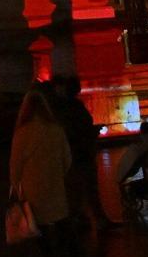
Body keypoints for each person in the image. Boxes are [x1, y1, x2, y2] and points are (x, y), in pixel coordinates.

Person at [8, 87, 73, 253]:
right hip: (55, 186)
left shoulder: (22, 134)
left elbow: (15, 166)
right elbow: (67, 159)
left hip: (33, 189)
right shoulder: (56, 130)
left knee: (38, 226)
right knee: (61, 224)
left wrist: (16, 186)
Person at [51, 76, 120, 228]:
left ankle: (84, 218)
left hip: (79, 151)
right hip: (78, 152)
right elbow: (76, 129)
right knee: (83, 187)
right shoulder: (69, 107)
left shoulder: (66, 107)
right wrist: (91, 131)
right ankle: (87, 218)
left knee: (83, 187)